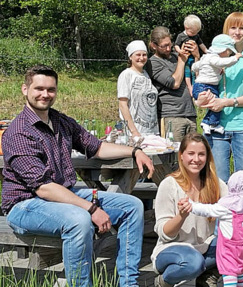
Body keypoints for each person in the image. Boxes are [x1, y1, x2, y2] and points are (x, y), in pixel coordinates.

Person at [1, 65, 156, 287]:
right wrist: (91, 208)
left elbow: (96, 147)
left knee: (132, 205)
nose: (45, 94)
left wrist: (134, 151)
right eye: (39, 88)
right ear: (25, 89)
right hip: (25, 205)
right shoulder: (18, 132)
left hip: (63, 194)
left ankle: (128, 283)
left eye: (51, 89)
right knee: (79, 220)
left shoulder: (61, 121)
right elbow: (43, 187)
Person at [152, 133, 243, 287]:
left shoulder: (214, 183)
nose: (196, 159)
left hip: (205, 246)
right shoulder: (169, 184)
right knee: (193, 262)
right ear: (181, 156)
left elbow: (238, 202)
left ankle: (209, 274)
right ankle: (164, 281)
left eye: (201, 154)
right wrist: (181, 216)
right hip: (171, 248)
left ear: (207, 157)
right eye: (191, 154)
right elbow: (165, 234)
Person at [200, 12, 243, 183]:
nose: (237, 32)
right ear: (225, 32)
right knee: (218, 182)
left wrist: (227, 102)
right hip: (217, 127)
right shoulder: (213, 59)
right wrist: (204, 98)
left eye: (242, 28)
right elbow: (204, 88)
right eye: (233, 28)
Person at [184, 170, 243, 287]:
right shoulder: (226, 209)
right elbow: (207, 209)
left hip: (242, 252)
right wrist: (191, 205)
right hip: (228, 253)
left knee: (241, 276)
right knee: (231, 278)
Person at [145, 26, 202, 142]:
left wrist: (196, 56)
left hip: (190, 113)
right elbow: (174, 83)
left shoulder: (177, 56)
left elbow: (198, 77)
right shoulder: (153, 63)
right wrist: (181, 61)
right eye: (164, 46)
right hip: (171, 116)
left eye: (170, 44)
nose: (168, 49)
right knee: (173, 156)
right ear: (153, 46)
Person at [192, 34, 243, 135]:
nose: (229, 54)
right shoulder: (213, 58)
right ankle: (209, 123)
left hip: (203, 86)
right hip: (205, 86)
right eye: (229, 52)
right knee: (216, 105)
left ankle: (210, 124)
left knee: (215, 105)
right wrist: (235, 58)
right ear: (223, 50)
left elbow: (194, 67)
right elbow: (223, 62)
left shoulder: (205, 58)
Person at [117, 40, 160, 138]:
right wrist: (134, 131)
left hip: (152, 131)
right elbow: (123, 105)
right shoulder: (126, 75)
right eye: (138, 55)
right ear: (130, 57)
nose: (141, 58)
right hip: (135, 133)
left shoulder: (146, 74)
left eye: (144, 55)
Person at [174, 14, 209, 98]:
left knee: (194, 72)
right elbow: (176, 45)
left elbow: (201, 45)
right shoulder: (181, 36)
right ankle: (190, 88)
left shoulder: (196, 36)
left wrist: (207, 52)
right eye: (193, 32)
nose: (194, 34)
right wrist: (180, 51)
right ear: (186, 27)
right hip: (185, 58)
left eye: (196, 32)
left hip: (193, 58)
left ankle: (195, 86)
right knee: (187, 73)